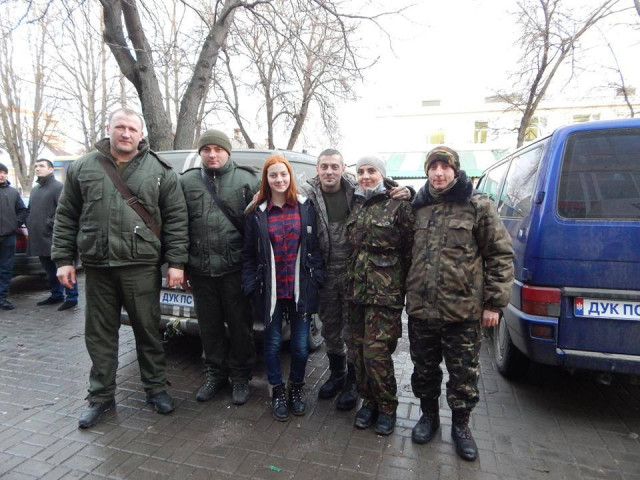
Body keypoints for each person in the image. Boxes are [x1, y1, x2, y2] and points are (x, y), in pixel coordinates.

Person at [52, 108, 189, 429]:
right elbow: (66, 214)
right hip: (98, 267)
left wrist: (177, 263)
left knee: (148, 331)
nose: (126, 133)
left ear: (141, 134)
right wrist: (63, 259)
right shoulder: (84, 167)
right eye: (120, 127)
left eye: (132, 129)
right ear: (109, 128)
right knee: (99, 335)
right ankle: (100, 397)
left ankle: (155, 389)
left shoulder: (159, 170)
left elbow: (176, 219)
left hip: (141, 267)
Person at [406, 146, 514, 460]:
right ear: (427, 171)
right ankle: (428, 416)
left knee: (463, 375)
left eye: (445, 167)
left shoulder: (477, 205)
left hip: (463, 311)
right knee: (424, 370)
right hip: (422, 310)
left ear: (455, 170)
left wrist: (494, 303)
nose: (439, 173)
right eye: (433, 167)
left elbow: (500, 255)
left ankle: (461, 426)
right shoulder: (418, 207)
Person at [300, 149, 412, 411]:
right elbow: (277, 191)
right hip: (325, 273)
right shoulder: (307, 194)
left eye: (334, 166)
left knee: (353, 333)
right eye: (324, 166)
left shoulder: (356, 192)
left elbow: (388, 195)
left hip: (356, 276)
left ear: (343, 169)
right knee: (330, 329)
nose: (329, 171)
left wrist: (410, 191)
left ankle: (353, 382)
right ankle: (337, 374)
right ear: (317, 169)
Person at [180, 129, 260, 405]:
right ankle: (215, 374)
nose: (212, 155)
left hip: (235, 270)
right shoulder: (187, 182)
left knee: (240, 327)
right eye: (206, 149)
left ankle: (241, 377)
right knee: (209, 327)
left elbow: (259, 227)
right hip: (201, 270)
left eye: (218, 149)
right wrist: (180, 264)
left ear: (228, 152)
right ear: (200, 153)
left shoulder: (247, 179)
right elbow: (178, 225)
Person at [242, 154, 324, 422]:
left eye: (283, 174)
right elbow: (248, 255)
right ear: (266, 179)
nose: (279, 179)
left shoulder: (305, 207)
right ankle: (277, 391)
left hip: (300, 288)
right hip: (271, 292)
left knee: (299, 347)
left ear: (290, 176)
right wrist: (251, 285)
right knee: (273, 344)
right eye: (273, 175)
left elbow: (315, 249)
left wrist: (316, 279)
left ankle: (296, 389)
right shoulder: (257, 213)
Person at [344, 155, 414, 436]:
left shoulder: (399, 204)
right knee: (358, 351)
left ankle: (387, 406)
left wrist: (404, 289)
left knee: (377, 353)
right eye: (360, 171)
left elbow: (410, 251)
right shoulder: (357, 203)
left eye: (371, 171)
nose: (365, 176)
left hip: (385, 294)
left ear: (382, 174)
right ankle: (369, 401)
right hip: (356, 291)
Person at [27, 159, 79, 311]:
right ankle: (56, 294)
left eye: (42, 166)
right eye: (36, 166)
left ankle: (72, 297)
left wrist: (49, 223)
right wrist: (29, 221)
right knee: (50, 271)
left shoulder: (58, 187)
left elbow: (65, 211)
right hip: (39, 237)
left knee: (63, 267)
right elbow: (29, 210)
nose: (38, 168)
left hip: (55, 237)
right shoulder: (35, 189)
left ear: (51, 169)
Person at [0, 162, 28, 310]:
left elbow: (22, 210)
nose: (1, 175)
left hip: (8, 236)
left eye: (3, 172)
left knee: (6, 268)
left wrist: (14, 224)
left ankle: (2, 298)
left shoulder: (12, 192)